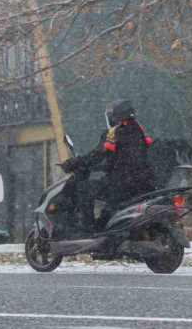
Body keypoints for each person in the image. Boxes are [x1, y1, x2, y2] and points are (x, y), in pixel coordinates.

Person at [61, 99, 157, 232]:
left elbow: (97, 155)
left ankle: (87, 230)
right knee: (108, 209)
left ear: (114, 116)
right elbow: (125, 159)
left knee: (84, 188)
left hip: (123, 184)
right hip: (142, 184)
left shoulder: (114, 133)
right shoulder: (138, 131)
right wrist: (99, 167)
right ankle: (105, 233)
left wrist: (74, 162)